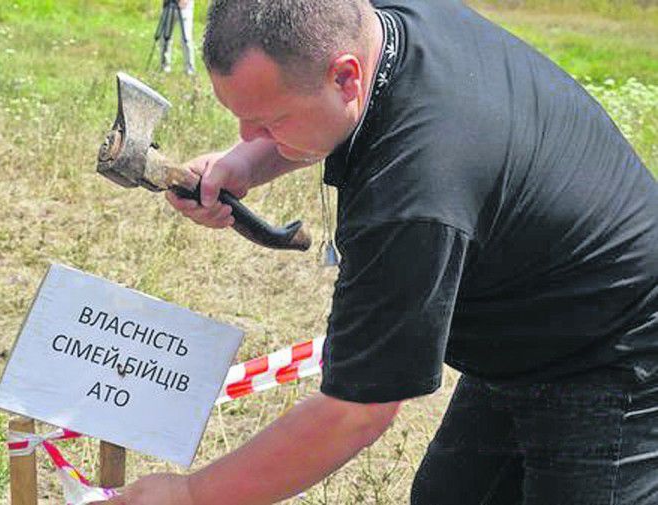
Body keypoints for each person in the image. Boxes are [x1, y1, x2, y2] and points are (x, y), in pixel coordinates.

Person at [101, 0, 658, 503]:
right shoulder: (375, 22)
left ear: (347, 76)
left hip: (616, 348)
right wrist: (247, 163)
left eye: (268, 121)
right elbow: (333, 117)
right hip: (534, 324)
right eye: (243, 118)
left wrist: (194, 496)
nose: (249, 134)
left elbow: (355, 412)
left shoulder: (413, 198)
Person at [160, 0, 196, 75]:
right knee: (165, 37)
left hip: (185, 7)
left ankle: (190, 68)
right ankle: (165, 65)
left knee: (186, 38)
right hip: (169, 5)